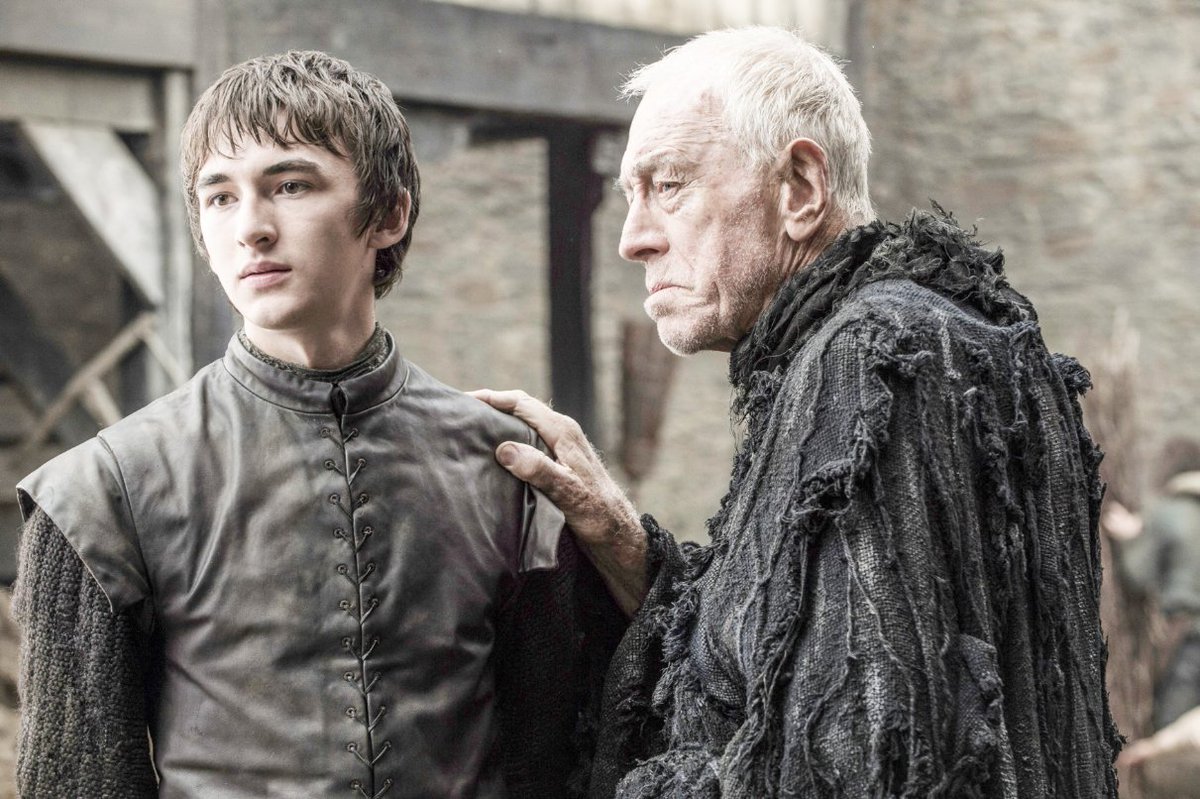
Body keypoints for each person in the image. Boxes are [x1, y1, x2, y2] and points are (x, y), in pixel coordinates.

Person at [473, 27, 1120, 797]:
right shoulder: (922, 338)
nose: (633, 239)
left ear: (801, 189)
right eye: (629, 197)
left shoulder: (873, 363)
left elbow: (849, 765)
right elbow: (786, 663)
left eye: (669, 185)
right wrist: (621, 544)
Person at [13, 51, 622, 798]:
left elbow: (556, 757)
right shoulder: (101, 493)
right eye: (220, 197)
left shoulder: (508, 466)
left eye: (290, 185)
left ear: (389, 214)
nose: (251, 228)